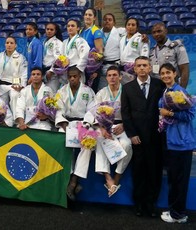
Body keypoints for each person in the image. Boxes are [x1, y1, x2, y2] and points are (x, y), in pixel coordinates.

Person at [121, 56, 164, 217]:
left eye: (145, 65)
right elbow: (125, 113)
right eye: (139, 65)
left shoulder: (159, 85)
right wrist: (131, 134)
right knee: (139, 171)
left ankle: (151, 204)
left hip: (155, 136)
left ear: (150, 67)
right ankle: (139, 204)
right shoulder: (128, 87)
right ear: (134, 68)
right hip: (137, 137)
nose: (142, 68)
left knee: (154, 171)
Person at [82, 66, 132, 197]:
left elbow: (132, 112)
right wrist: (102, 128)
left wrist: (124, 125)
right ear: (106, 78)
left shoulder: (127, 91)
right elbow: (94, 112)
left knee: (127, 144)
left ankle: (117, 177)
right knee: (99, 139)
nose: (112, 78)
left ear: (120, 76)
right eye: (109, 75)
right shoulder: (101, 93)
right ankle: (107, 177)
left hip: (121, 126)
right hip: (104, 126)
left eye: (115, 75)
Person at [158, 63, 195, 223]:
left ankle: (178, 215)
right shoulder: (167, 91)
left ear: (175, 74)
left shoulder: (180, 92)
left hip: (181, 143)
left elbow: (189, 116)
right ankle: (175, 211)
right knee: (174, 179)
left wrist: (170, 113)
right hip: (172, 141)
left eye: (168, 73)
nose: (165, 76)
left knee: (179, 180)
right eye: (163, 73)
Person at [55, 66, 95, 200]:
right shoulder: (61, 91)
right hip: (66, 123)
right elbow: (58, 109)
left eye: (75, 76)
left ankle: (74, 179)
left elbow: (92, 110)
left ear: (80, 77)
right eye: (70, 76)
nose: (72, 78)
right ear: (67, 77)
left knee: (89, 144)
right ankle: (70, 179)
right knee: (61, 140)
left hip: (83, 124)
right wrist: (64, 124)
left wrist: (86, 124)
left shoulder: (88, 91)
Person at [0, 36, 27, 118]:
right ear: (5, 44)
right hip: (1, 85)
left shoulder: (21, 58)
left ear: (15, 45)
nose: (9, 45)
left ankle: (16, 120)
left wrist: (22, 86)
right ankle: (1, 121)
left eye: (11, 43)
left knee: (15, 96)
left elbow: (24, 74)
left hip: (14, 85)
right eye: (7, 43)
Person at [150, 22, 190, 88]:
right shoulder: (151, 51)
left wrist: (182, 91)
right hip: (155, 88)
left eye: (159, 31)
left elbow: (185, 70)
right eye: (154, 32)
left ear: (166, 31)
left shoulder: (177, 47)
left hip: (172, 87)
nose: (156, 34)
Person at [49, 19, 89, 85]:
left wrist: (78, 69)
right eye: (68, 26)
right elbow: (60, 57)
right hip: (66, 72)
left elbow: (84, 56)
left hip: (76, 70)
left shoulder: (81, 41)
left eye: (72, 26)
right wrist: (53, 69)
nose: (70, 28)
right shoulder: (64, 42)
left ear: (78, 28)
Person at [99, 13, 126, 90]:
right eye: (105, 20)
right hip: (102, 66)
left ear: (114, 23)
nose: (107, 21)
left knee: (116, 89)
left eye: (110, 20)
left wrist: (142, 36)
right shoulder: (97, 33)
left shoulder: (121, 32)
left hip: (115, 65)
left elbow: (133, 32)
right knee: (103, 90)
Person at [79, 8, 104, 93]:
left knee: (91, 93)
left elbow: (100, 53)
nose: (87, 16)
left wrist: (96, 70)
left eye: (90, 15)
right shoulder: (81, 31)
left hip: (92, 69)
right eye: (86, 14)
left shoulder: (96, 31)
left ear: (94, 18)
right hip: (82, 67)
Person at [43, 22, 63, 93]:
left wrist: (51, 71)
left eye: (51, 30)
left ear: (55, 31)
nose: (49, 31)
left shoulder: (57, 43)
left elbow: (58, 59)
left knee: (52, 93)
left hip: (52, 73)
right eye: (47, 29)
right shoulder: (45, 42)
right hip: (45, 71)